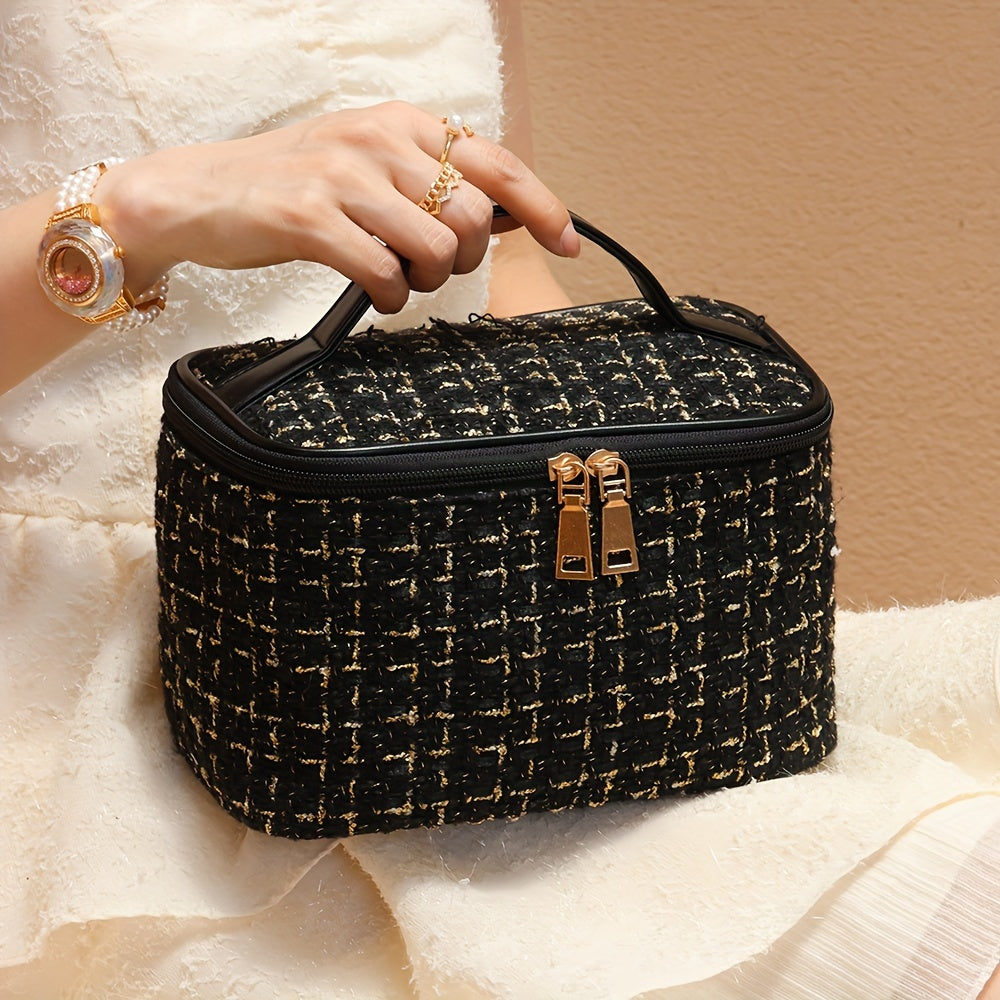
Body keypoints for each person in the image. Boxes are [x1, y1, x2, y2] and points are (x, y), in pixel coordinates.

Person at [1, 1, 998, 996]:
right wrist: (135, 211)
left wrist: (571, 463)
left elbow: (502, 254)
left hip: (517, 619)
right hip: (133, 652)